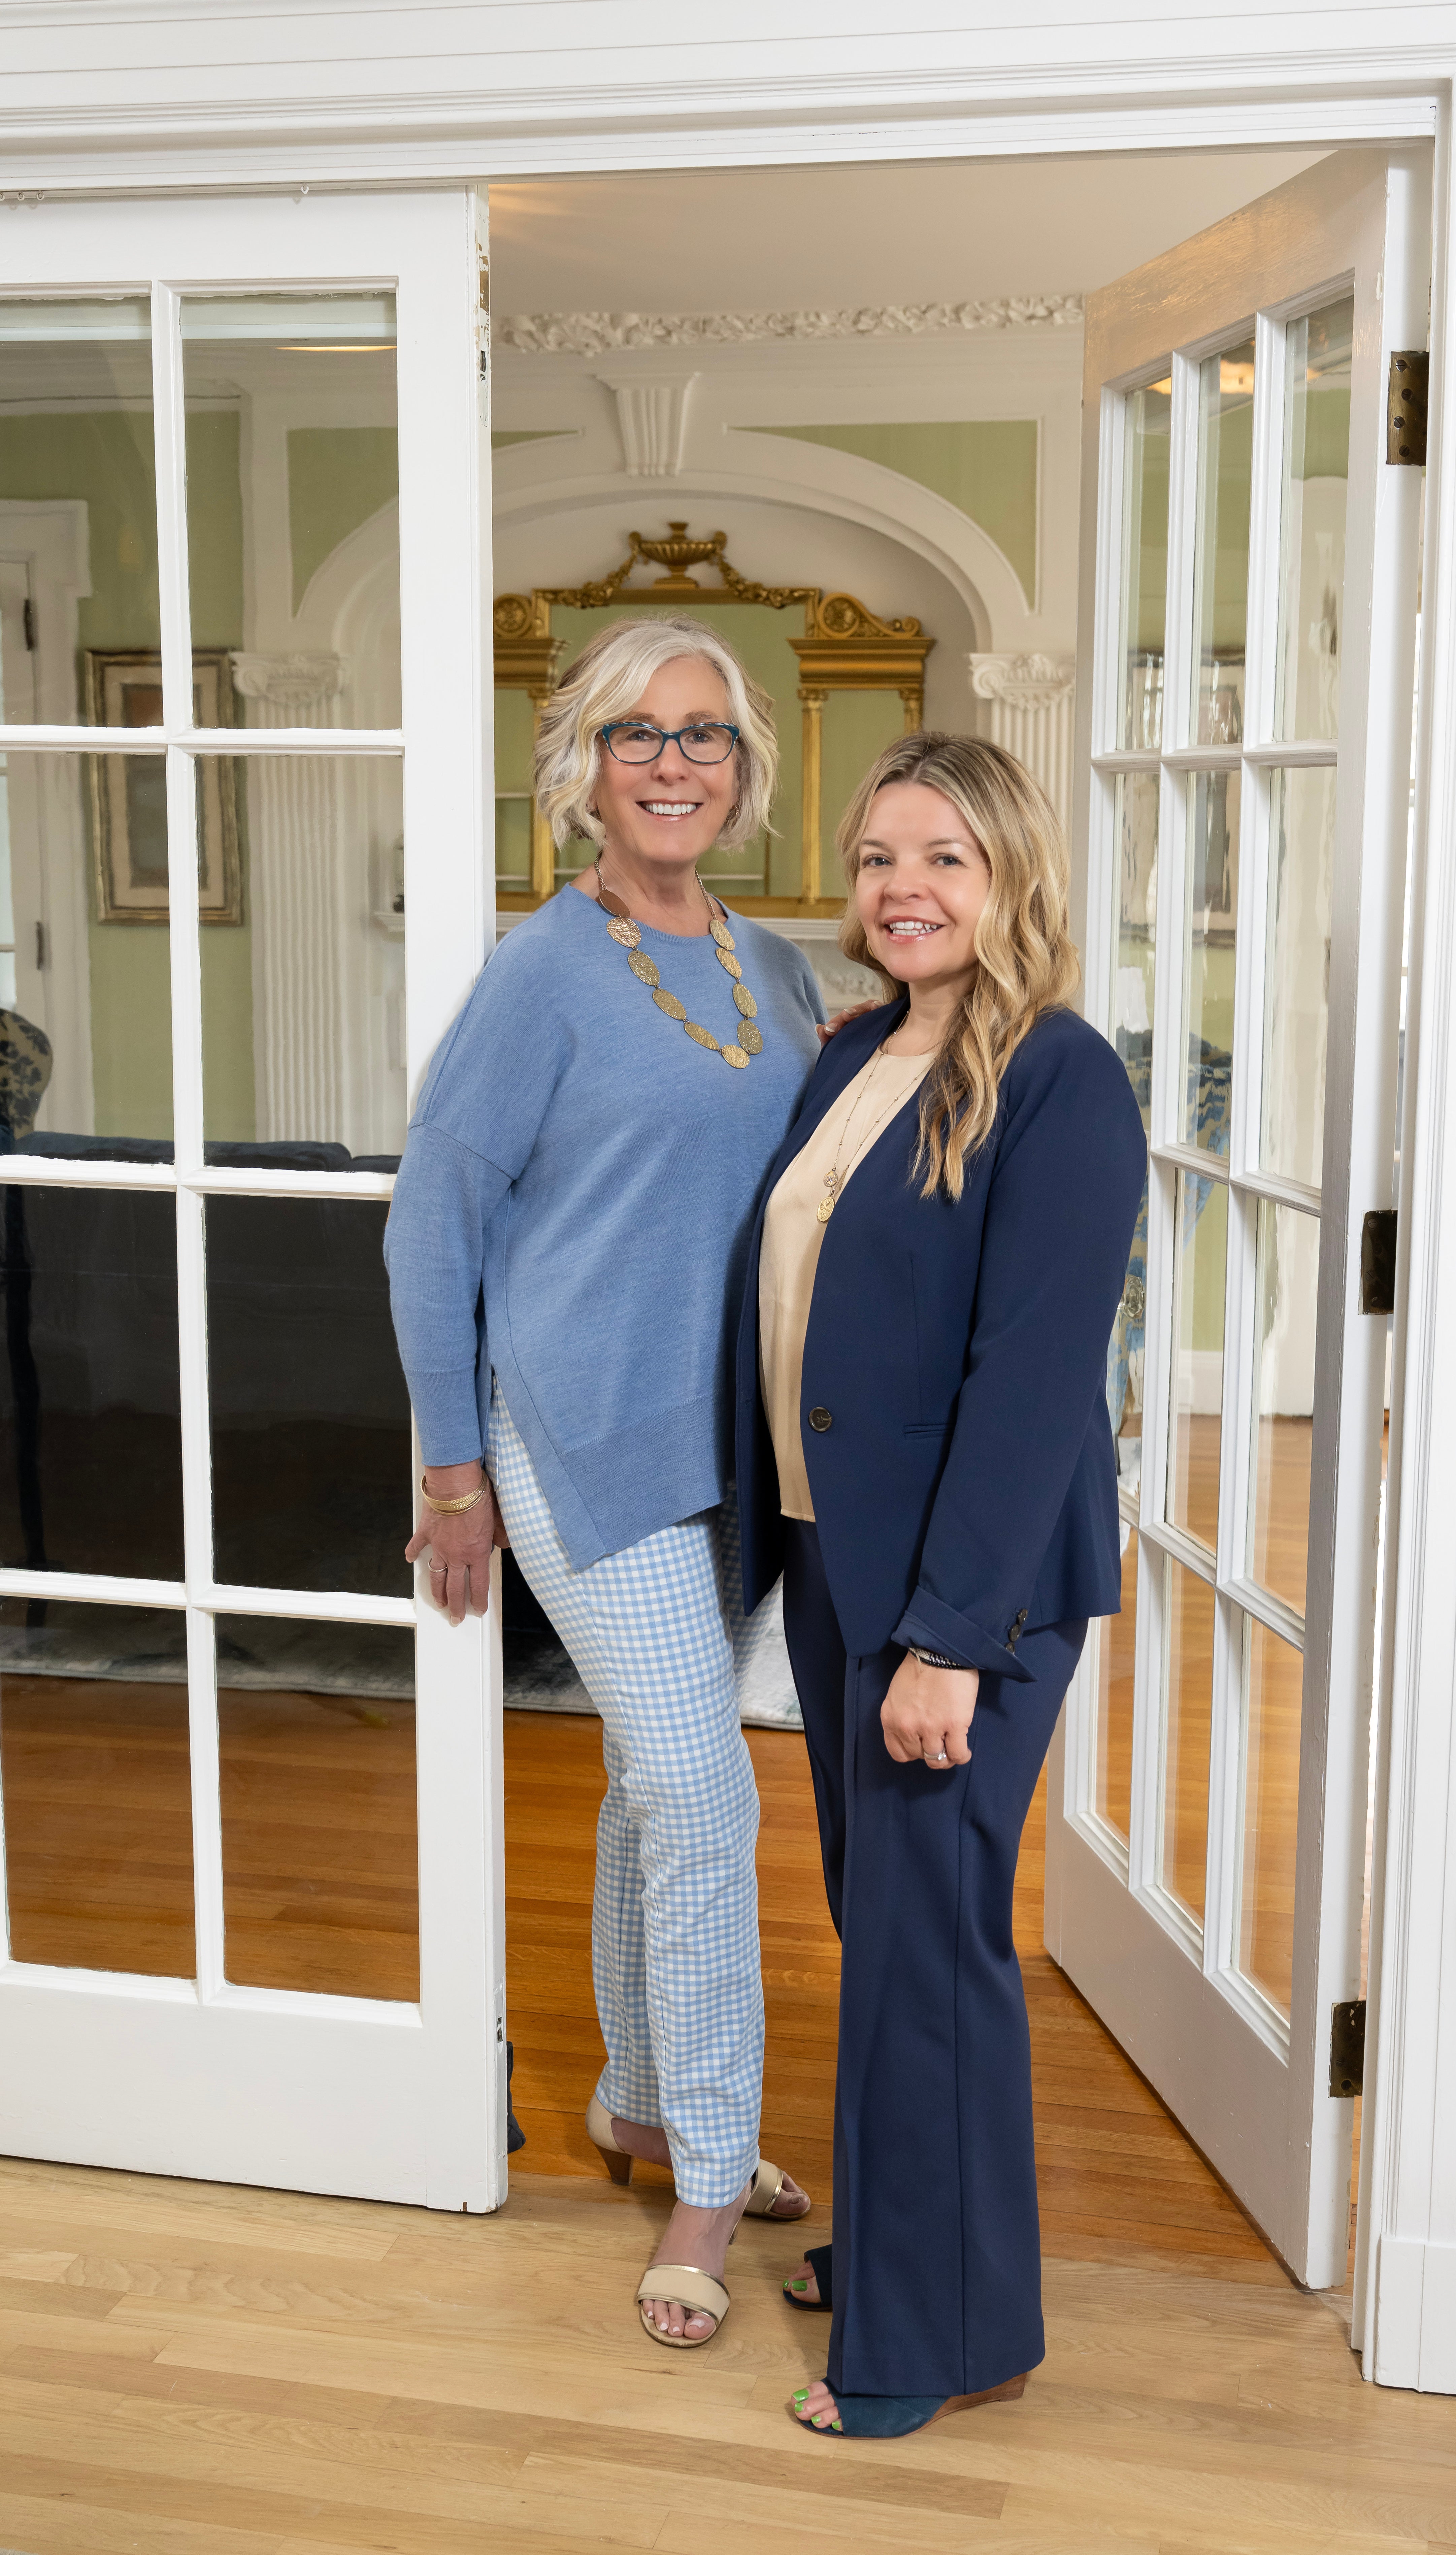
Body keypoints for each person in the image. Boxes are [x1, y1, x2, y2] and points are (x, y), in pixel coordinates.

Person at [387, 614, 833, 2350]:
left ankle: (639, 2104)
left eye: (703, 733)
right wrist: (450, 1472)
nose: (671, 761)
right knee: (705, 1794)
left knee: (654, 1784)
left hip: (730, 1447)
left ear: (744, 768)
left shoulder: (771, 966)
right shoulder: (542, 972)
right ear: (580, 765)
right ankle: (708, 2179)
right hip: (580, 1434)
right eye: (636, 732)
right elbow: (432, 1225)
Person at [735, 732, 1146, 2438]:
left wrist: (949, 1640)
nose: (903, 887)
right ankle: (924, 2255)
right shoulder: (855, 1051)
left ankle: (925, 2347)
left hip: (961, 1593)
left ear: (1009, 876)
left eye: (944, 858)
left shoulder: (1058, 1076)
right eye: (879, 857)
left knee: (927, 1948)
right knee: (890, 1927)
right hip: (842, 1554)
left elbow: (1033, 1375)